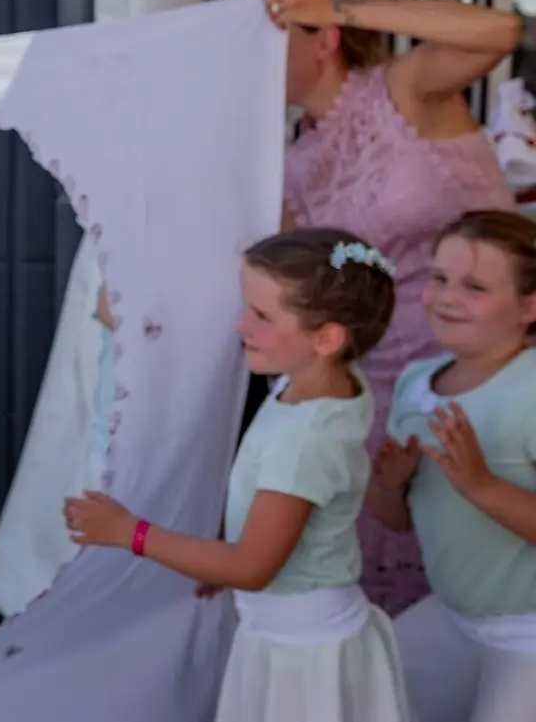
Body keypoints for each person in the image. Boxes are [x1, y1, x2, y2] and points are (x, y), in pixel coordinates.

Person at [66, 228, 411, 722]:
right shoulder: (314, 384)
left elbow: (252, 567)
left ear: (327, 338)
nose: (240, 326)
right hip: (285, 632)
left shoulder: (306, 441)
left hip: (303, 655)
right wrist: (222, 547)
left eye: (262, 317)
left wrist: (130, 532)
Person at [262, 0, 519, 612]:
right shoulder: (293, 162)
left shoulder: (403, 89)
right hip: (386, 389)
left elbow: (502, 30)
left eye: (266, 34)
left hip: (498, 365)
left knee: (498, 560)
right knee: (403, 573)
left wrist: (343, 8)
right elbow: (302, 283)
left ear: (321, 38)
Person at [370, 210, 536, 721]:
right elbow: (396, 520)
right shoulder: (416, 381)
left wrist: (481, 485)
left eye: (474, 287)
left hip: (526, 633)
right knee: (368, 698)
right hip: (451, 614)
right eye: (439, 278)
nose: (446, 297)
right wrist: (390, 486)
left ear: (529, 305)